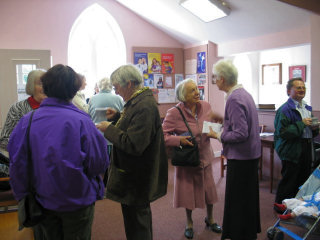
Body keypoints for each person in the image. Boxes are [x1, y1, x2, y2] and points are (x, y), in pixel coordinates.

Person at [8, 64, 109, 240]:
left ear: (45, 87)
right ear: (74, 90)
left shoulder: (27, 121)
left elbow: (16, 163)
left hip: (41, 200)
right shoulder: (82, 121)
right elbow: (99, 162)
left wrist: (22, 194)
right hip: (78, 199)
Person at [96, 64, 168, 240]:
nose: (116, 91)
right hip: (135, 176)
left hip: (138, 178)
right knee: (136, 221)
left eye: (117, 87)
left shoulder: (144, 106)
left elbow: (134, 144)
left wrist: (109, 129)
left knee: (138, 225)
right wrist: (119, 116)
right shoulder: (138, 101)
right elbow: (134, 127)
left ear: (128, 84)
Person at [162, 78, 222, 239]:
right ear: (182, 95)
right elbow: (163, 136)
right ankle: (189, 223)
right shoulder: (173, 113)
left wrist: (217, 131)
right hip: (187, 160)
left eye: (197, 89)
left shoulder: (206, 106)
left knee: (209, 191)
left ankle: (210, 219)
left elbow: (211, 125)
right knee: (187, 193)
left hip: (205, 157)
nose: (197, 93)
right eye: (192, 91)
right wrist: (177, 140)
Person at [209, 59, 261, 240]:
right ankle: (245, 232)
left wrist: (219, 135)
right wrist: (224, 120)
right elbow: (239, 123)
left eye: (215, 77)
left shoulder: (233, 98)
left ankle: (239, 233)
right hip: (250, 156)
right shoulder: (243, 94)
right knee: (246, 199)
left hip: (241, 159)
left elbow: (240, 133)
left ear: (222, 79)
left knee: (238, 200)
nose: (214, 80)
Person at [274, 78, 319, 206]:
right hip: (291, 149)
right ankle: (281, 206)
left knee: (303, 179)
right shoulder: (284, 110)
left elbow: (309, 131)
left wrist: (315, 128)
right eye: (298, 88)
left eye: (303, 87)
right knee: (289, 179)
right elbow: (283, 132)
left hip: (306, 147)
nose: (302, 90)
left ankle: (295, 206)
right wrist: (302, 124)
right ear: (289, 91)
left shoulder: (307, 107)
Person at [0, 69, 46, 192]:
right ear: (31, 85)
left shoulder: (56, 108)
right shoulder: (18, 108)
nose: (45, 87)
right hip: (28, 165)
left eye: (48, 83)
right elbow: (5, 139)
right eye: (40, 83)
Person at [88, 77, 124, 186]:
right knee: (112, 163)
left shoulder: (92, 99)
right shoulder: (118, 98)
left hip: (97, 135)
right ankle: (111, 184)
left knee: (99, 163)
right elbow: (123, 115)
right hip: (112, 135)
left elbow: (89, 116)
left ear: (99, 86)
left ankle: (99, 185)